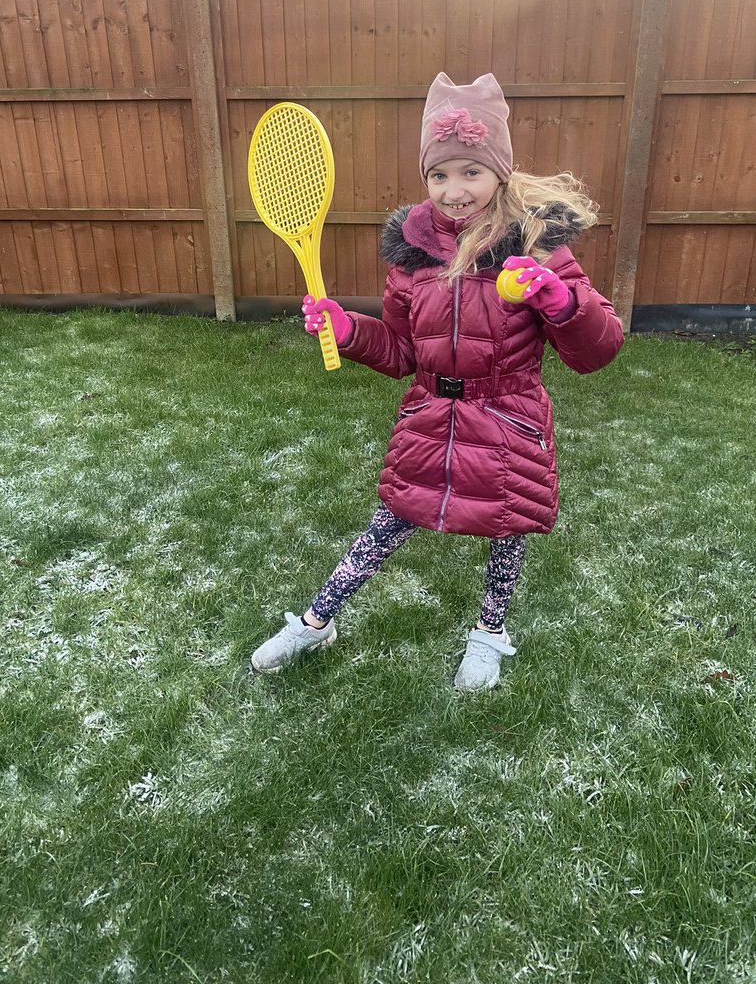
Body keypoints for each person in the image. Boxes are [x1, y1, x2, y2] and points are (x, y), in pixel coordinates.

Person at [250, 72, 624, 691]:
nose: (454, 191)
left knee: (508, 527)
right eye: (439, 174)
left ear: (499, 172)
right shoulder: (412, 258)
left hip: (508, 417)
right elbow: (400, 351)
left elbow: (598, 349)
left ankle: (490, 632)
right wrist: (348, 329)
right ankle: (318, 620)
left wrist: (561, 301)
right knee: (390, 519)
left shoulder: (536, 248)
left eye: (470, 172)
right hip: (429, 414)